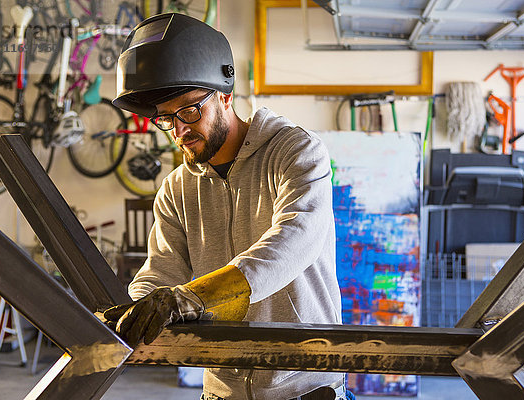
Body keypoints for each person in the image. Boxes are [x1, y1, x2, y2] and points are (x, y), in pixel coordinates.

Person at [104, 13, 346, 400]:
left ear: (226, 95)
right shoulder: (177, 188)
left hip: (306, 387)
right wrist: (135, 309)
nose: (179, 131)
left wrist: (194, 296)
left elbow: (295, 240)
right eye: (166, 119)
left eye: (188, 111)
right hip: (221, 392)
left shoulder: (296, 151)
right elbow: (163, 273)